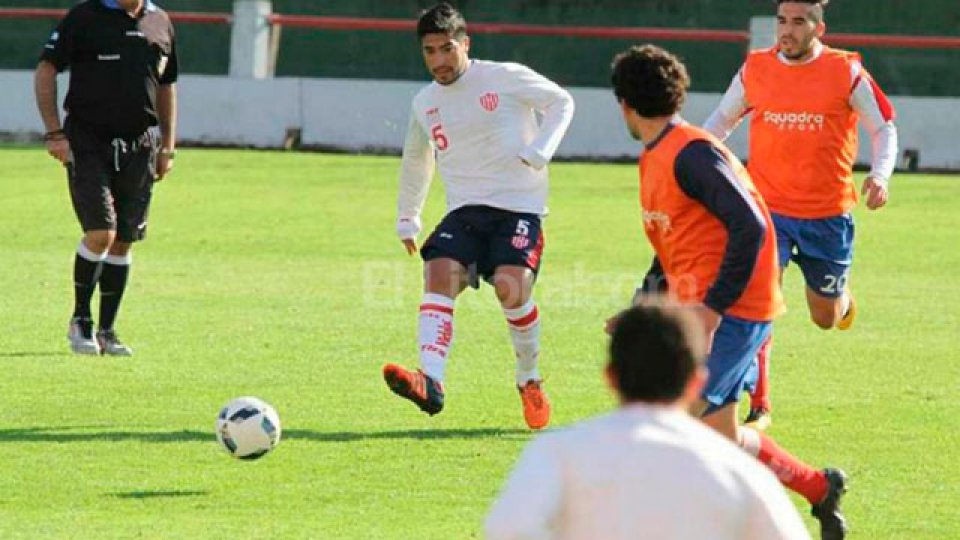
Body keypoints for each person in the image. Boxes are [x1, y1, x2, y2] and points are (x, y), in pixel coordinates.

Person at [611, 44, 847, 539]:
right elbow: (669, 245)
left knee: (669, 427)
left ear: (625, 106)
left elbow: (752, 227)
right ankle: (819, 488)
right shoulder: (658, 156)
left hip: (734, 308)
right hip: (709, 306)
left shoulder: (692, 153)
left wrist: (713, 310)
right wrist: (642, 308)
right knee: (718, 434)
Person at [703, 0, 898, 428]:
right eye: (781, 21)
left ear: (818, 28)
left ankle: (841, 297)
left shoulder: (845, 72)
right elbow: (720, 121)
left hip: (827, 216)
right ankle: (760, 402)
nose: (786, 31)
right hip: (764, 211)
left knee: (824, 317)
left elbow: (883, 127)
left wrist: (880, 176)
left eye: (797, 22)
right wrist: (693, 165)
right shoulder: (755, 67)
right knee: (755, 303)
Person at [381, 3, 574, 430]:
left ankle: (528, 378)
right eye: (429, 51)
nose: (439, 60)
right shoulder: (425, 101)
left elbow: (561, 102)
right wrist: (407, 216)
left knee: (511, 287)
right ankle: (431, 381)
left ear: (465, 44)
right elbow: (417, 158)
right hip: (465, 211)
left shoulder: (503, 76)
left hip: (518, 209)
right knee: (438, 272)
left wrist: (541, 150)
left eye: (447, 48)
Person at [486, 301, 811, 540]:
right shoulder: (736, 468)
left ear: (610, 378)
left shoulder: (556, 453)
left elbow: (508, 528)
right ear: (696, 381)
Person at [35, 0, 178, 356]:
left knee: (124, 241)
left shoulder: (160, 22)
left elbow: (166, 85)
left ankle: (108, 331)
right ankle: (80, 319)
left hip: (141, 144)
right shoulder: (84, 17)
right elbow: (46, 69)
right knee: (101, 233)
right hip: (88, 140)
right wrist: (54, 133)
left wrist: (168, 147)